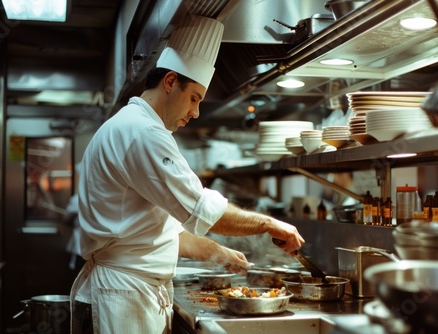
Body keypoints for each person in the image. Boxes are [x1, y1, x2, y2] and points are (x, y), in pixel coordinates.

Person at [70, 15, 304, 334]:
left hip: (128, 291)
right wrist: (269, 223)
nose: (195, 113)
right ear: (170, 82)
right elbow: (201, 209)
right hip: (122, 298)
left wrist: (216, 251)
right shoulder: (143, 132)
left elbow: (152, 230)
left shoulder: (132, 125)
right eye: (193, 98)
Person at [64, 162, 85, 274]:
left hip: (82, 250)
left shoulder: (78, 199)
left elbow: (66, 220)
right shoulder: (78, 199)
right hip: (85, 251)